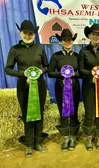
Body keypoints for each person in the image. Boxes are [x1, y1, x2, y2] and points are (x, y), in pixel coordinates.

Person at [5, 20, 48, 157]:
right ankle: (29, 144)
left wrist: (42, 71)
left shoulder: (40, 49)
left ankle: (38, 142)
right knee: (27, 114)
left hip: (39, 85)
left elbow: (46, 66)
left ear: (34, 34)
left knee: (39, 113)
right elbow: (8, 69)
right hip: (23, 87)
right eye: (25, 33)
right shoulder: (14, 49)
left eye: (30, 33)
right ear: (20, 33)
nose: (28, 36)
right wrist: (21, 73)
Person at [78, 23, 99, 151]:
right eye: (93, 34)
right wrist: (91, 73)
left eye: (98, 34)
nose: (96, 36)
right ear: (89, 36)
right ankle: (89, 137)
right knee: (90, 112)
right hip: (88, 86)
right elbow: (80, 69)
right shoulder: (83, 51)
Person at [48, 29, 80, 151]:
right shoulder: (56, 56)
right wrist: (62, 75)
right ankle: (65, 137)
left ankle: (73, 136)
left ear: (73, 41)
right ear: (61, 41)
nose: (67, 42)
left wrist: (73, 76)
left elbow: (81, 73)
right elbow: (50, 73)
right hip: (61, 87)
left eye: (70, 39)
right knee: (63, 111)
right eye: (65, 39)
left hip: (75, 86)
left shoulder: (77, 56)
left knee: (74, 111)